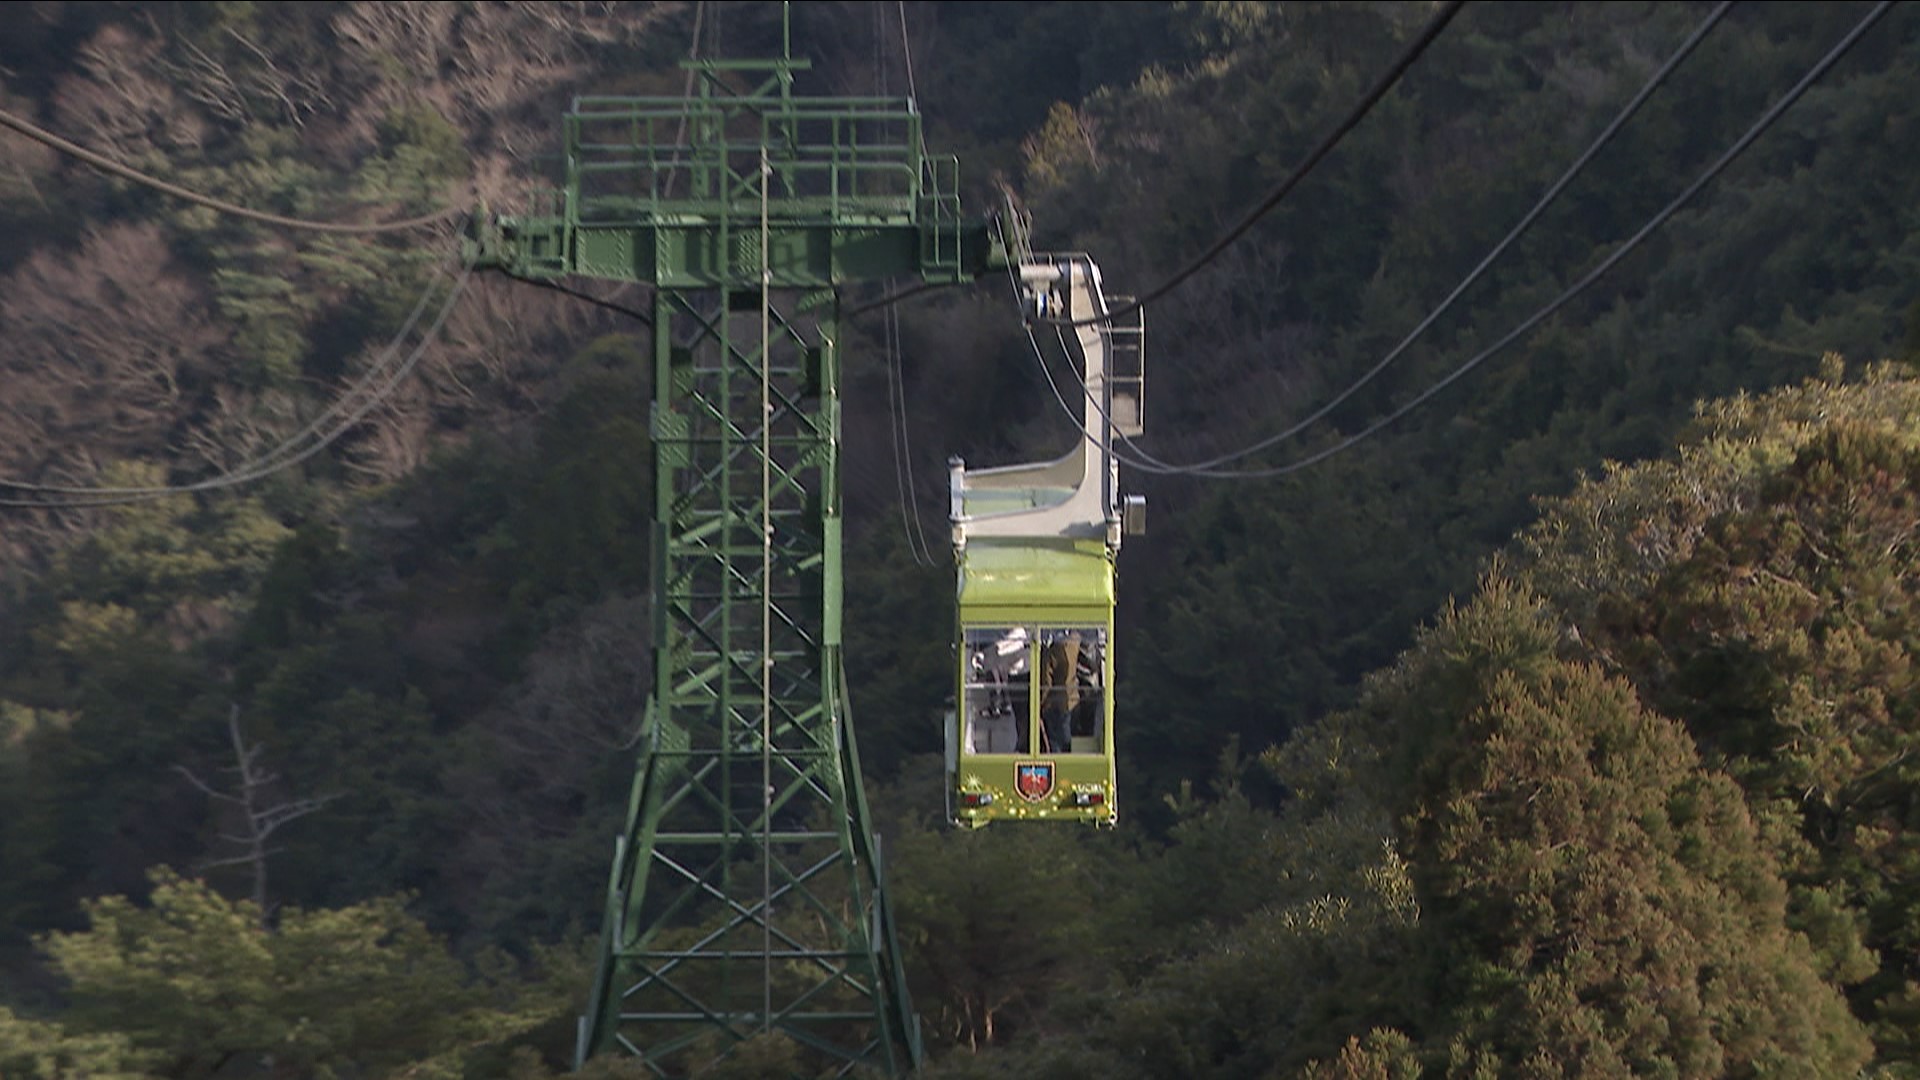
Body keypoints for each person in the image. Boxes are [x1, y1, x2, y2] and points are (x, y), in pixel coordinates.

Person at [1039, 631, 1081, 754]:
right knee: (1066, 737)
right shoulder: (1075, 641)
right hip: (1073, 699)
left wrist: (1041, 703)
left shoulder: (1052, 651)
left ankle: (1058, 766)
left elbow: (1046, 682)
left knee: (1055, 740)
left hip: (1055, 704)